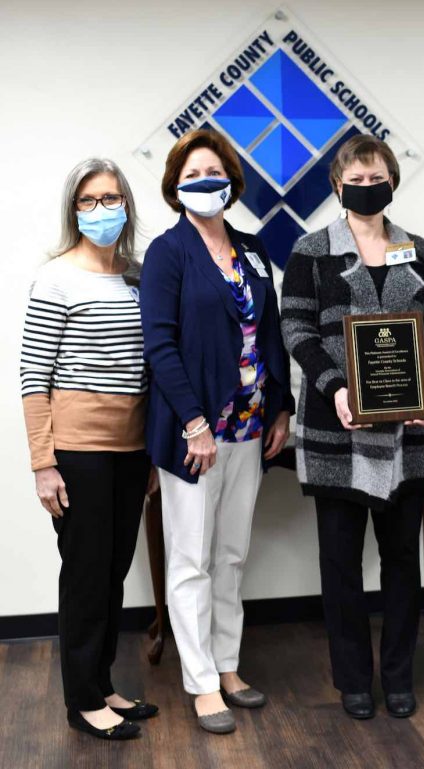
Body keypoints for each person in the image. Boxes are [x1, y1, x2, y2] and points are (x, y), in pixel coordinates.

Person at [281, 135, 424, 720]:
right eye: (353, 176)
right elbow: (297, 332)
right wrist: (338, 387)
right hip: (337, 433)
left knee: (403, 563)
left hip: (409, 438)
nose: (364, 183)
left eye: (374, 174)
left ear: (392, 180)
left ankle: (399, 677)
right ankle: (353, 680)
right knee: (341, 565)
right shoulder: (310, 251)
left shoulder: (420, 251)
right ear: (337, 184)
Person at [139, 128, 293, 734]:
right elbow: (160, 343)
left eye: (215, 173)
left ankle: (229, 665)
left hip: (250, 430)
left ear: (231, 181)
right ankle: (202, 682)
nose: (206, 182)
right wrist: (193, 423)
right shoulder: (167, 252)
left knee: (230, 554)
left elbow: (271, 335)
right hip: (195, 437)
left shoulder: (253, 250)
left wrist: (279, 408)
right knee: (190, 558)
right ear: (176, 187)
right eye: (193, 175)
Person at [20, 159, 158, 740]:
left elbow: (152, 366)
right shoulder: (56, 278)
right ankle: (82, 701)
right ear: (72, 210)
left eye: (110, 198)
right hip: (77, 451)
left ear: (127, 203)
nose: (100, 210)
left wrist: (152, 454)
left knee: (113, 571)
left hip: (132, 449)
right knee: (84, 574)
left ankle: (101, 684)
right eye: (87, 201)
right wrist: (42, 463)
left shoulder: (140, 274)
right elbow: (33, 376)